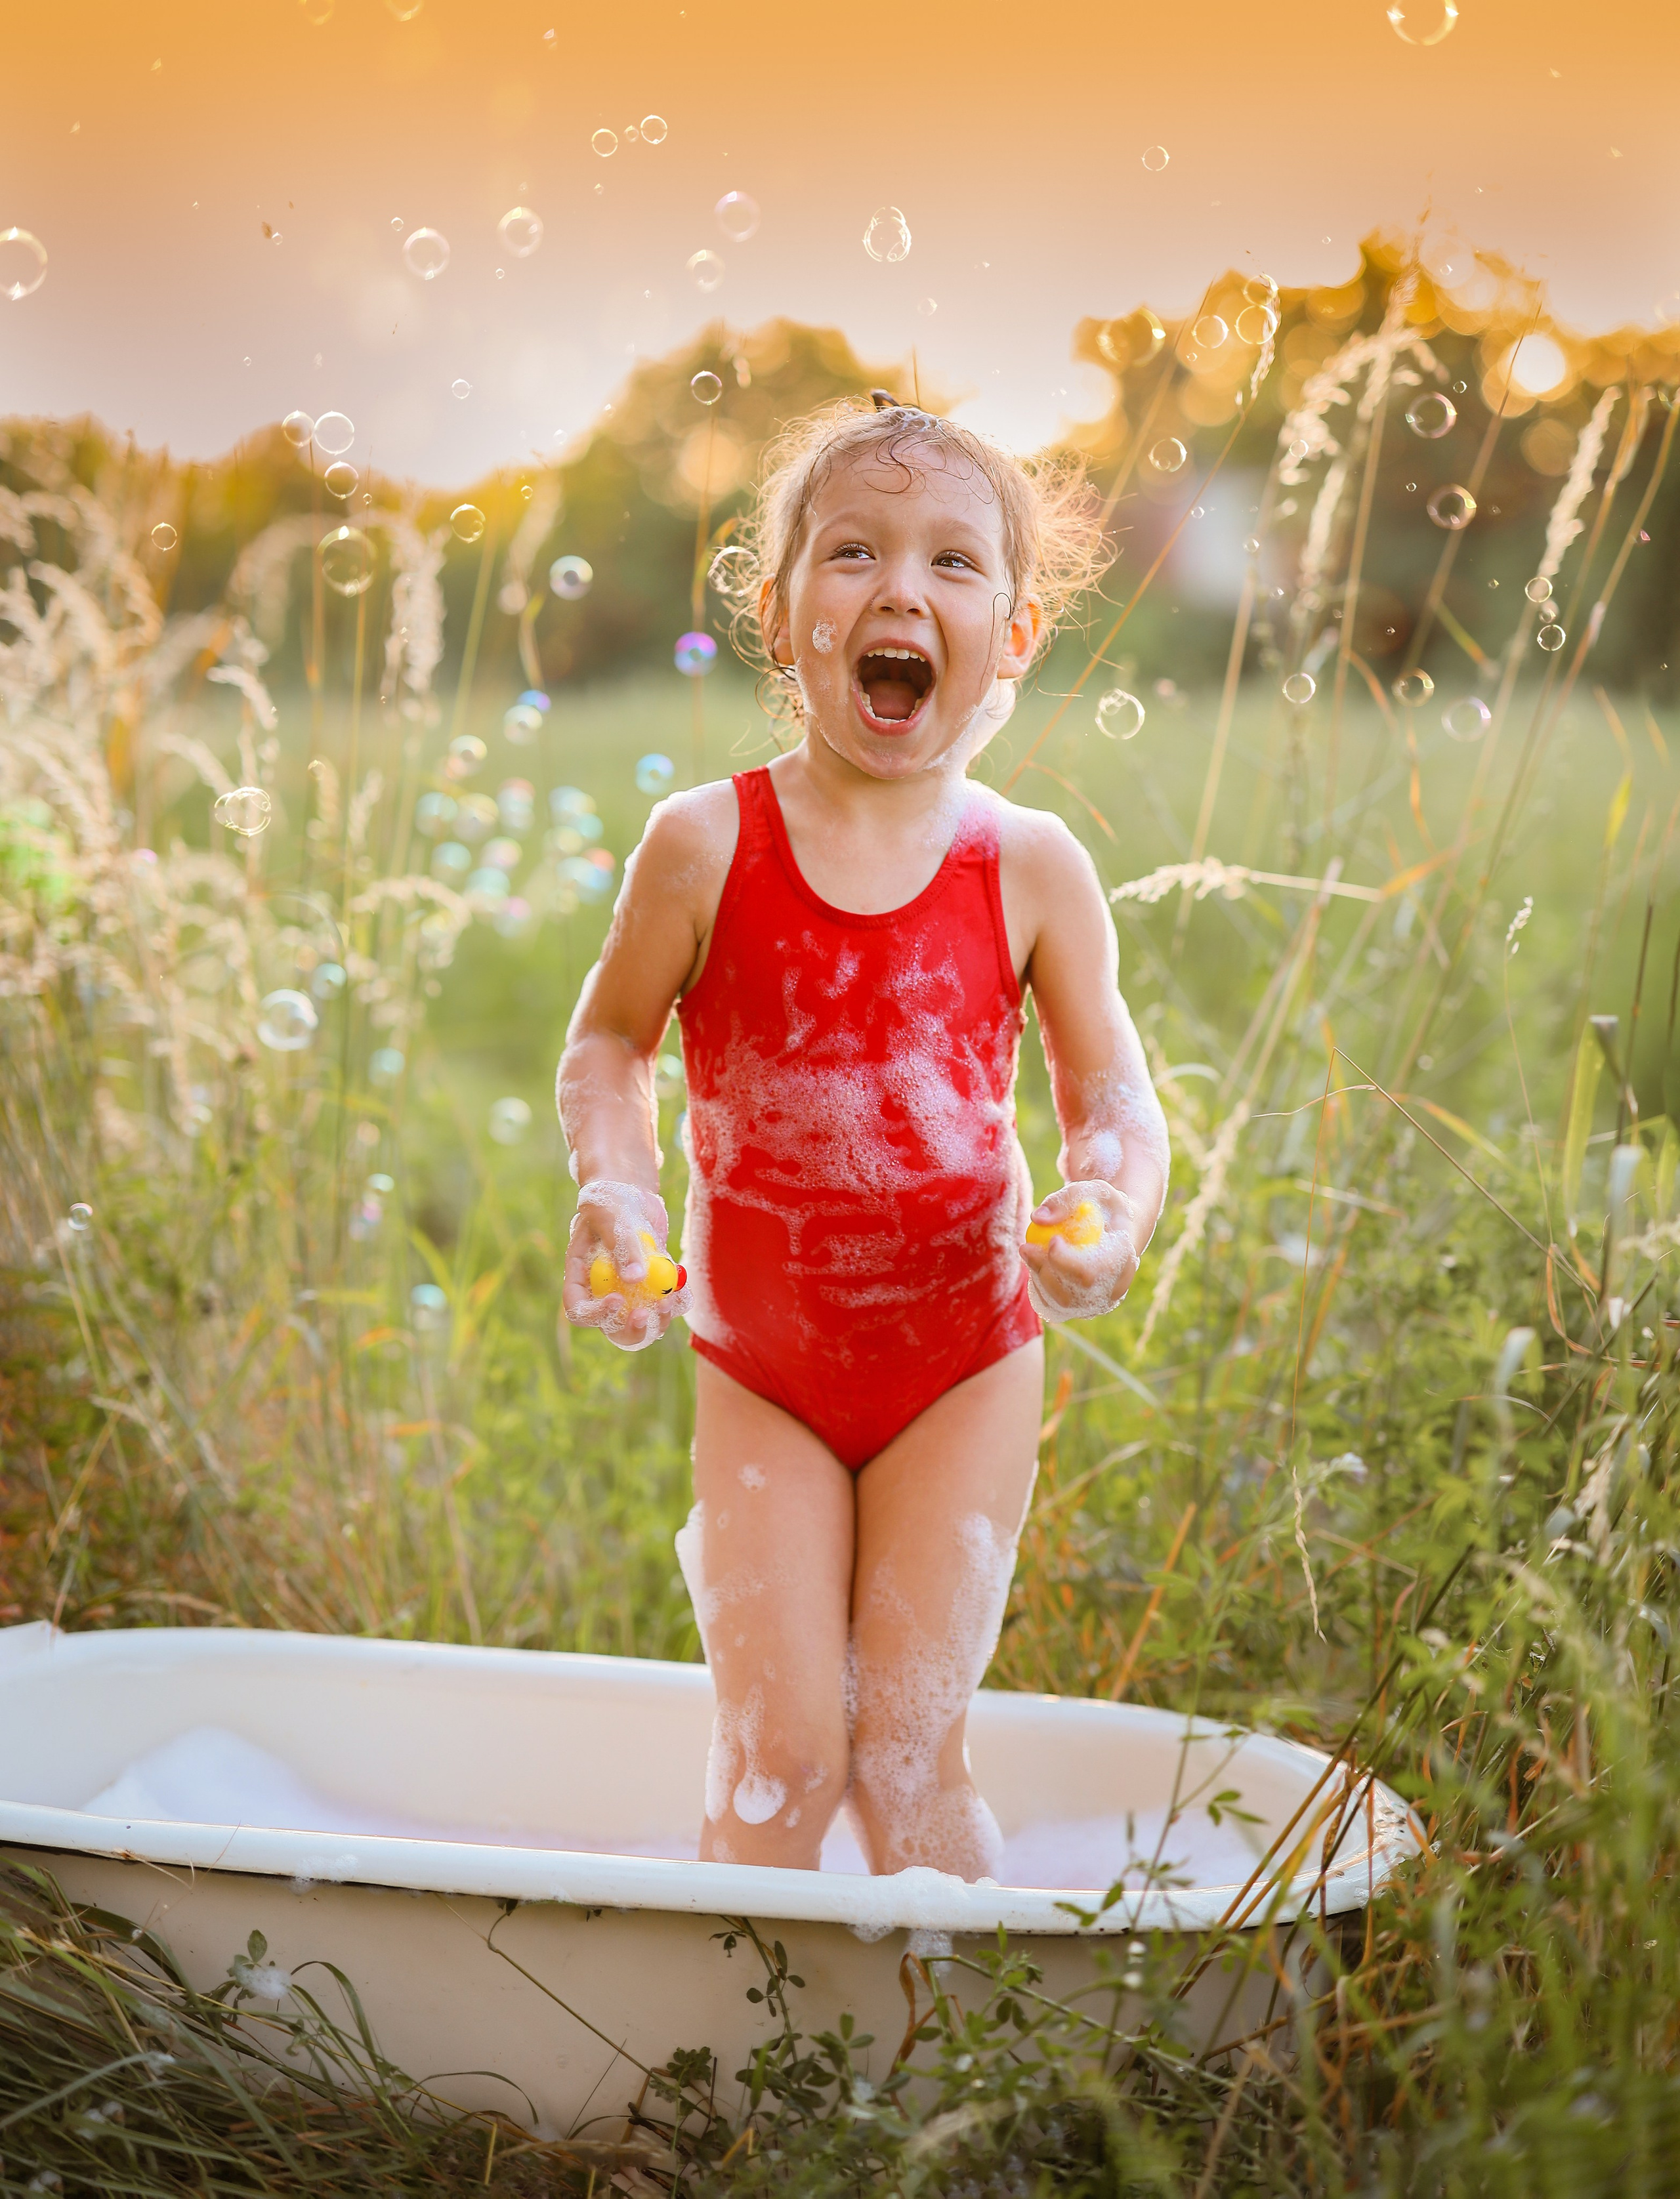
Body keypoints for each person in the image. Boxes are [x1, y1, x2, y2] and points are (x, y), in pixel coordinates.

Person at [556, 392, 1168, 1881]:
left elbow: (1116, 1102)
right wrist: (619, 1192)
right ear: (782, 616)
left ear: (1012, 637)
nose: (901, 588)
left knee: (906, 1758)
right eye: (853, 552)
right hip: (761, 1363)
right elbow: (608, 1041)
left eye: (953, 563)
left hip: (962, 1354)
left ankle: (937, 2099)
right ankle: (727, 2092)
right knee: (781, 1759)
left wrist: (1110, 1201)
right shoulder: (704, 843)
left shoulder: (1028, 864)